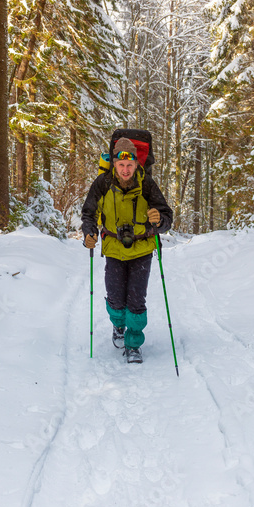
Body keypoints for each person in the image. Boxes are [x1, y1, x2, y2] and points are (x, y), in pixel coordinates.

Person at [80, 137, 173, 363]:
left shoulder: (147, 184)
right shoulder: (102, 183)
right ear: (114, 163)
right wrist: (89, 234)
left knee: (136, 300)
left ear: (136, 164)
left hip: (141, 249)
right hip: (113, 249)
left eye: (129, 164)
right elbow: (88, 213)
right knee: (115, 299)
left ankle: (133, 344)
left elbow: (167, 218)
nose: (125, 169)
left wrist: (159, 219)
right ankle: (118, 325)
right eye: (121, 165)